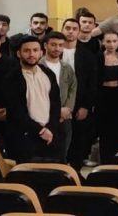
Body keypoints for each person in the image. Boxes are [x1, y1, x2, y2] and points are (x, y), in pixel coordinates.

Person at [4, 36, 62, 162]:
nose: (31, 54)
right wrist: (40, 130)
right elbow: (16, 111)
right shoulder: (11, 77)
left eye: (35, 50)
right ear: (18, 53)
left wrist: (50, 128)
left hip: (50, 134)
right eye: (27, 51)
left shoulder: (48, 74)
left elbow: (56, 104)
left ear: (41, 52)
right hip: (24, 137)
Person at [63, 19, 98, 170]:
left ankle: (75, 172)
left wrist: (86, 106)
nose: (70, 31)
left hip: (80, 103)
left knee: (78, 140)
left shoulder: (87, 55)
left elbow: (92, 83)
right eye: (67, 28)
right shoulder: (54, 51)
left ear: (79, 32)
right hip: (57, 104)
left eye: (74, 29)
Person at [96, 31, 118, 164]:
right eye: (108, 41)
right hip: (103, 96)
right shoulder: (98, 57)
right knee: (105, 130)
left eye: (114, 41)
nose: (111, 44)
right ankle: (106, 161)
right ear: (103, 42)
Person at [41, 32, 77, 162]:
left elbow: (73, 88)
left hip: (64, 116)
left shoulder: (67, 67)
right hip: (45, 116)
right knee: (45, 153)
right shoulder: (38, 66)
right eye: (53, 45)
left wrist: (68, 108)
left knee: (63, 152)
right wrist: (56, 111)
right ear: (45, 45)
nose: (57, 48)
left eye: (60, 45)